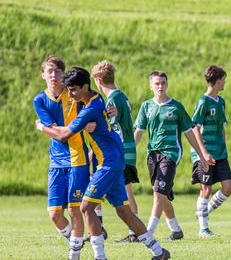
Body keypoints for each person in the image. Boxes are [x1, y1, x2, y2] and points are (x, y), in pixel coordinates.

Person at [36, 67, 170, 260]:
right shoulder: (92, 99)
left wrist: (41, 126)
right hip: (111, 160)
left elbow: (64, 135)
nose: (70, 93)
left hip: (108, 162)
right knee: (124, 211)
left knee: (86, 208)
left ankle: (100, 257)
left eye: (73, 89)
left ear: (84, 87)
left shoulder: (90, 108)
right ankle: (159, 251)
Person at [134, 70, 214, 240]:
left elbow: (190, 132)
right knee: (162, 194)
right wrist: (125, 151)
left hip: (171, 153)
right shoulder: (146, 106)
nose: (160, 86)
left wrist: (201, 155)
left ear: (167, 84)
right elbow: (139, 132)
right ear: (151, 86)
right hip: (152, 155)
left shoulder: (176, 107)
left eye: (163, 83)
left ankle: (148, 233)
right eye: (157, 83)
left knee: (158, 193)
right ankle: (176, 230)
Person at [33, 56, 90, 260]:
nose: (54, 75)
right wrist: (54, 129)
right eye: (49, 71)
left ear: (63, 74)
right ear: (43, 75)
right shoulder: (40, 100)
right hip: (56, 162)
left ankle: (75, 254)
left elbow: (58, 131)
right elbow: (57, 131)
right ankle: (78, 240)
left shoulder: (73, 94)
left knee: (76, 210)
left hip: (77, 159)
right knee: (55, 214)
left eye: (57, 71)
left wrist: (42, 128)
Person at [91, 60, 141, 243]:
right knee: (122, 191)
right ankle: (103, 228)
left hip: (121, 152)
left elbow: (112, 129)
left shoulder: (112, 100)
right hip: (126, 150)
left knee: (125, 192)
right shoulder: (121, 96)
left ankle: (134, 232)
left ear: (97, 79)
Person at [192, 65, 231, 238]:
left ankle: (204, 212)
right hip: (205, 153)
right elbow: (195, 128)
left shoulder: (221, 101)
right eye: (223, 79)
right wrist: (203, 153)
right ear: (217, 81)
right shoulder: (203, 102)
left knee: (228, 187)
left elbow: (222, 126)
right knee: (206, 190)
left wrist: (223, 145)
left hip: (220, 153)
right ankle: (203, 229)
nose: (225, 82)